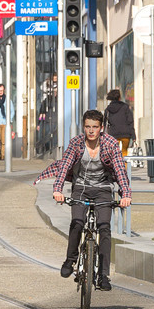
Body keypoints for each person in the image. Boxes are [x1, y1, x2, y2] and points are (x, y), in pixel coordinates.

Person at [36, 109, 132, 290]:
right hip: (80, 188)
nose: (91, 131)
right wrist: (58, 190)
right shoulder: (76, 143)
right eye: (87, 127)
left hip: (103, 189)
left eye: (95, 127)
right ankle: (70, 260)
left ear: (101, 128)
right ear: (83, 127)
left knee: (104, 228)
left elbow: (120, 170)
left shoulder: (110, 143)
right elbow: (64, 166)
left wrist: (125, 194)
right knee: (77, 222)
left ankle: (103, 276)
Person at [103, 89, 136, 158]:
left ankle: (116, 167)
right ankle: (124, 168)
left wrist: (104, 135)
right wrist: (133, 136)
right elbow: (130, 121)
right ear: (119, 97)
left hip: (113, 134)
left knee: (114, 152)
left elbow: (105, 123)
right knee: (124, 152)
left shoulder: (108, 109)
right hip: (125, 134)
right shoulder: (125, 107)